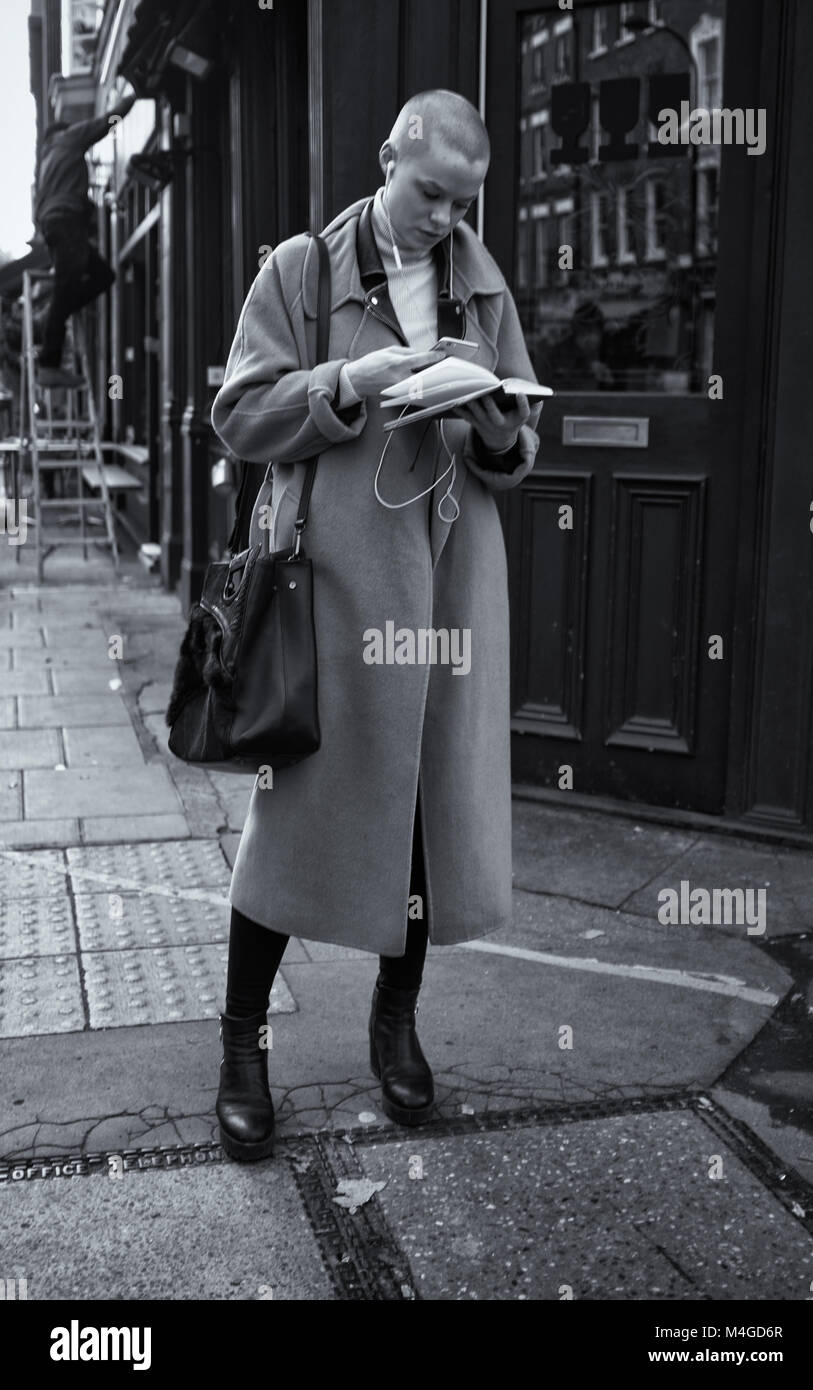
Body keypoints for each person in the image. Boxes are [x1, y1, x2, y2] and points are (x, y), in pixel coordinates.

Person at [210, 89, 543, 1159]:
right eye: (428, 192)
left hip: (446, 593)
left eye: (460, 202)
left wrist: (494, 424)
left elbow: (516, 449)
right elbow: (239, 413)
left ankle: (394, 1027)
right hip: (334, 596)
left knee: (419, 825)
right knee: (287, 832)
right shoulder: (301, 269)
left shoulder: (480, 285)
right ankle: (242, 1045)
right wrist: (342, 383)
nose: (443, 218)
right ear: (386, 159)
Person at [33, 91, 135, 388]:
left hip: (57, 227)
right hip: (66, 224)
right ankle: (49, 363)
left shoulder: (46, 163)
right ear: (64, 131)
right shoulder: (67, 139)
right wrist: (129, 102)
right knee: (68, 285)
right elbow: (106, 122)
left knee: (104, 275)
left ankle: (56, 310)